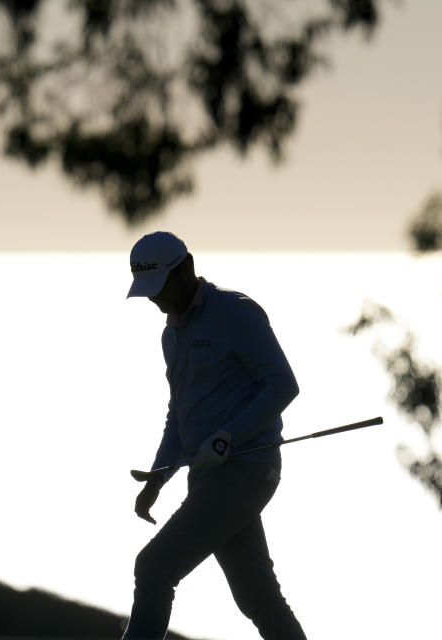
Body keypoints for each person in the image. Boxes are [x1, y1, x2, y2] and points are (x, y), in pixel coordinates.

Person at [122, 231, 307, 640]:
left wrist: (227, 437)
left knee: (154, 567)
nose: (154, 299)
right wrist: (159, 475)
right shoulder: (172, 335)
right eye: (147, 291)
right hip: (208, 477)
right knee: (257, 596)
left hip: (247, 469)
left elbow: (282, 384)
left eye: (159, 288)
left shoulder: (235, 312)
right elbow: (180, 413)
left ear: (185, 268)